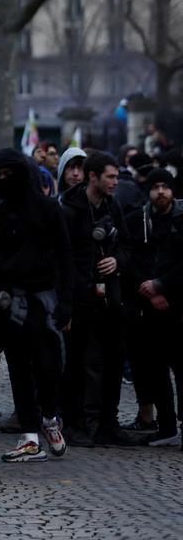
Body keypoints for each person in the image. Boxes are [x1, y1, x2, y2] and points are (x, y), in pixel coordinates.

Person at [0, 150, 72, 462]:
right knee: (19, 369)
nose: (6, 179)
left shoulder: (48, 209)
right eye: (0, 173)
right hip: (10, 302)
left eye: (11, 172)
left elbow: (64, 254)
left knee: (48, 366)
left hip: (44, 300)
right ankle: (30, 435)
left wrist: (65, 301)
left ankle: (49, 418)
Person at [59, 152, 136, 448]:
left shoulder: (113, 206)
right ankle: (76, 423)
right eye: (111, 177)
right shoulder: (68, 208)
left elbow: (127, 247)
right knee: (77, 363)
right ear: (93, 177)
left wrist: (116, 260)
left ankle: (107, 422)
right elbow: (62, 257)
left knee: (113, 361)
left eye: (117, 177)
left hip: (110, 299)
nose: (116, 182)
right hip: (80, 299)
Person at [128, 168, 183, 446]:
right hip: (149, 309)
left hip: (178, 306)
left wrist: (161, 285)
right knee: (157, 370)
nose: (160, 192)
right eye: (155, 187)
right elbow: (130, 260)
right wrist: (149, 289)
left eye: (165, 186)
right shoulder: (138, 221)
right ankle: (167, 426)